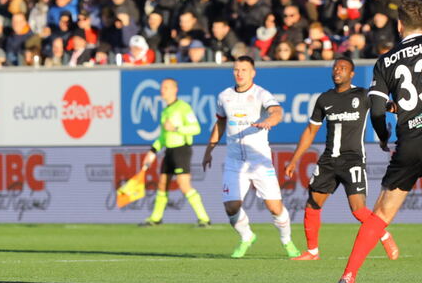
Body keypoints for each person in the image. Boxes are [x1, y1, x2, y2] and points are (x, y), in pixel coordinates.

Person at [335, 0, 422, 283]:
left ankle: (347, 278)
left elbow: (375, 108)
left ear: (399, 26)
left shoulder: (386, 61)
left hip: (410, 140)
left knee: (382, 213)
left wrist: (384, 137)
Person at [284, 58, 399, 262]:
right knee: (312, 205)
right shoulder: (324, 99)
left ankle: (384, 235)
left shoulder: (363, 95)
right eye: (336, 67)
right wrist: (295, 159)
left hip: (352, 160)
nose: (338, 71)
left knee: (358, 210)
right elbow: (311, 130)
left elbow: (384, 108)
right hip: (328, 160)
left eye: (343, 68)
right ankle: (312, 252)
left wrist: (391, 119)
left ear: (352, 73)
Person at [202, 56, 301, 258]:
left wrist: (270, 121)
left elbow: (277, 111)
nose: (239, 73)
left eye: (244, 70)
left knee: (274, 207)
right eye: (236, 70)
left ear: (252, 72)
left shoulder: (261, 94)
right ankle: (246, 236)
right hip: (234, 161)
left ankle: (286, 240)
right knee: (231, 207)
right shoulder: (224, 96)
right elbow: (220, 123)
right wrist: (209, 150)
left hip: (259, 160)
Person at [139, 78, 211, 227]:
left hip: (181, 149)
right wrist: (152, 151)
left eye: (166, 87)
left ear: (174, 90)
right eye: (162, 87)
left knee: (184, 184)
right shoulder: (165, 110)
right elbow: (163, 137)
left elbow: (196, 128)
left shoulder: (183, 108)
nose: (162, 90)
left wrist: (177, 128)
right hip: (169, 151)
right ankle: (155, 218)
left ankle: (204, 218)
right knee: (162, 183)